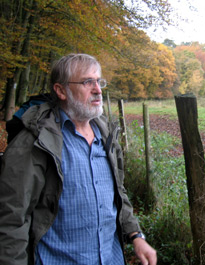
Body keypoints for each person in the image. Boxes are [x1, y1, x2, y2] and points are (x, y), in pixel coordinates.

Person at [0, 54, 157, 265]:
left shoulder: (106, 135)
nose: (98, 90)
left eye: (99, 81)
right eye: (87, 82)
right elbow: (11, 219)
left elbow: (118, 194)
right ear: (61, 90)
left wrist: (135, 235)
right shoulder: (35, 142)